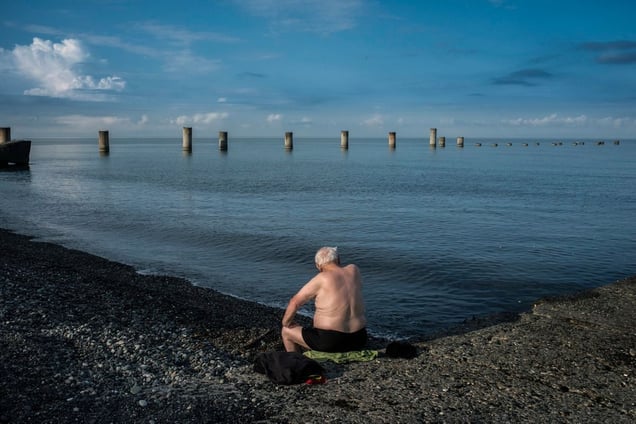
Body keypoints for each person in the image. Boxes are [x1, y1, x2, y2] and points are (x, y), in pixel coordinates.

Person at [281, 246, 367, 353]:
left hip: (331, 341)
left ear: (318, 266)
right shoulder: (354, 270)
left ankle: (296, 361)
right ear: (338, 259)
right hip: (359, 338)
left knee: (286, 331)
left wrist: (286, 323)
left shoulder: (321, 279)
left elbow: (294, 302)